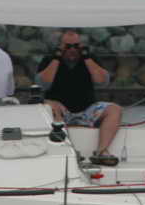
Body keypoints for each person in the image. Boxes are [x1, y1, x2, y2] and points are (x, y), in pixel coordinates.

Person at [35, 30, 120, 166]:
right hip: (61, 112)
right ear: (60, 46)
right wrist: (56, 58)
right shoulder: (49, 60)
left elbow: (102, 81)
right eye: (68, 46)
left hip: (87, 110)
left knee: (114, 109)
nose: (72, 50)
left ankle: (101, 152)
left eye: (76, 46)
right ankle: (68, 150)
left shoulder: (90, 59)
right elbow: (43, 83)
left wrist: (87, 58)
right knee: (49, 105)